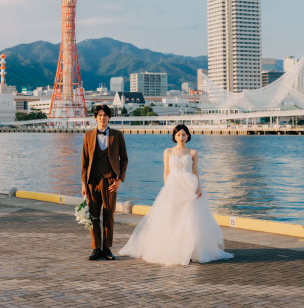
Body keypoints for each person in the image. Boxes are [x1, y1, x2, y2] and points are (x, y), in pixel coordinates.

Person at [119, 124, 233, 266]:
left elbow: (195, 171)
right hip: (173, 186)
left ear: (188, 136)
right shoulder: (168, 152)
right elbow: (166, 171)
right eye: (178, 134)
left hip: (189, 186)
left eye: (184, 134)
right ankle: (172, 249)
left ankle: (192, 251)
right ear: (174, 136)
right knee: (171, 218)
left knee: (190, 219)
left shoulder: (193, 152)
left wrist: (199, 187)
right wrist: (167, 188)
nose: (181, 137)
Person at [81, 104, 128, 261]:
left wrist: (119, 179)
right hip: (92, 181)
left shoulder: (118, 135)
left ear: (109, 117)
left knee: (109, 214)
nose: (102, 118)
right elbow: (85, 161)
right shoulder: (88, 135)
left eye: (105, 115)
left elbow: (124, 159)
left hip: (110, 181)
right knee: (93, 216)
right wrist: (83, 183)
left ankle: (107, 248)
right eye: (100, 115)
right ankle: (96, 249)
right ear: (95, 118)